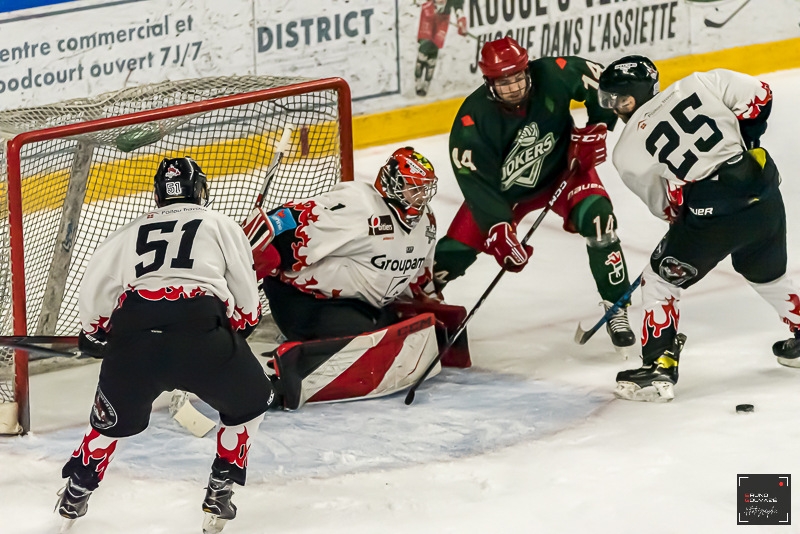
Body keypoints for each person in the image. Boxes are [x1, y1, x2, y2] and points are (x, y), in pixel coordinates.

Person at [56, 157, 274, 534]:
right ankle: (221, 485)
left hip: (135, 336)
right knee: (252, 401)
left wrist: (94, 333)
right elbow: (246, 299)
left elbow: (95, 290)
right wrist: (239, 325)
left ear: (159, 195)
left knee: (108, 423)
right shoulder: (220, 223)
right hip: (201, 331)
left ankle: (78, 488)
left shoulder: (126, 233)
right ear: (200, 190)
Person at [597, 55, 800, 402]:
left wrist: (686, 203)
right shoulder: (699, 82)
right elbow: (760, 94)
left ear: (638, 94)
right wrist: (746, 143)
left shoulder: (626, 150)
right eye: (610, 100)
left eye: (620, 99)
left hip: (712, 215)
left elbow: (664, 207)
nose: (616, 107)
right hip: (763, 192)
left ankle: (659, 368)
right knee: (768, 275)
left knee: (661, 278)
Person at [434, 36, 636, 352]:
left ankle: (616, 308)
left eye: (517, 77)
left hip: (563, 174)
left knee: (600, 221)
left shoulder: (554, 73)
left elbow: (604, 84)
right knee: (450, 256)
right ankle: (419, 298)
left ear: (527, 70)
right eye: (503, 82)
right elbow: (476, 184)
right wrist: (498, 229)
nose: (513, 87)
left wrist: (599, 126)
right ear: (489, 82)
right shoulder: (472, 121)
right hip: (502, 196)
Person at [242, 148, 470, 408]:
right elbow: (288, 221)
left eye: (424, 189)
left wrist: (428, 304)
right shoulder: (358, 205)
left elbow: (419, 276)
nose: (420, 197)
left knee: (387, 327)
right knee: (364, 334)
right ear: (393, 184)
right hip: (303, 300)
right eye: (413, 188)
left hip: (362, 304)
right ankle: (292, 373)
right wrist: (256, 251)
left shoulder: (426, 221)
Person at [415, 0, 468, 97]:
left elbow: (458, 3)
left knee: (434, 49)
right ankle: (418, 79)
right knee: (424, 48)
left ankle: (426, 83)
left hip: (443, 17)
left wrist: (460, 18)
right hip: (429, 10)